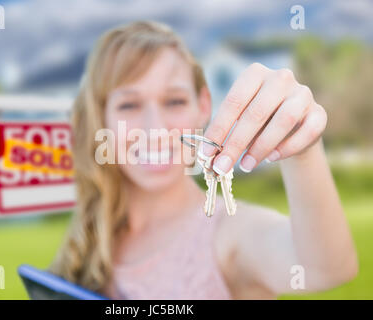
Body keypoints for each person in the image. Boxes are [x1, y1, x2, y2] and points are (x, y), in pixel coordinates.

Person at [49, 21, 358, 299]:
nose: (154, 128)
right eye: (129, 105)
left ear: (203, 106)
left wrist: (300, 148)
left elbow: (325, 269)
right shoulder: (94, 230)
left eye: (174, 101)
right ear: (102, 118)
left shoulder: (230, 235)